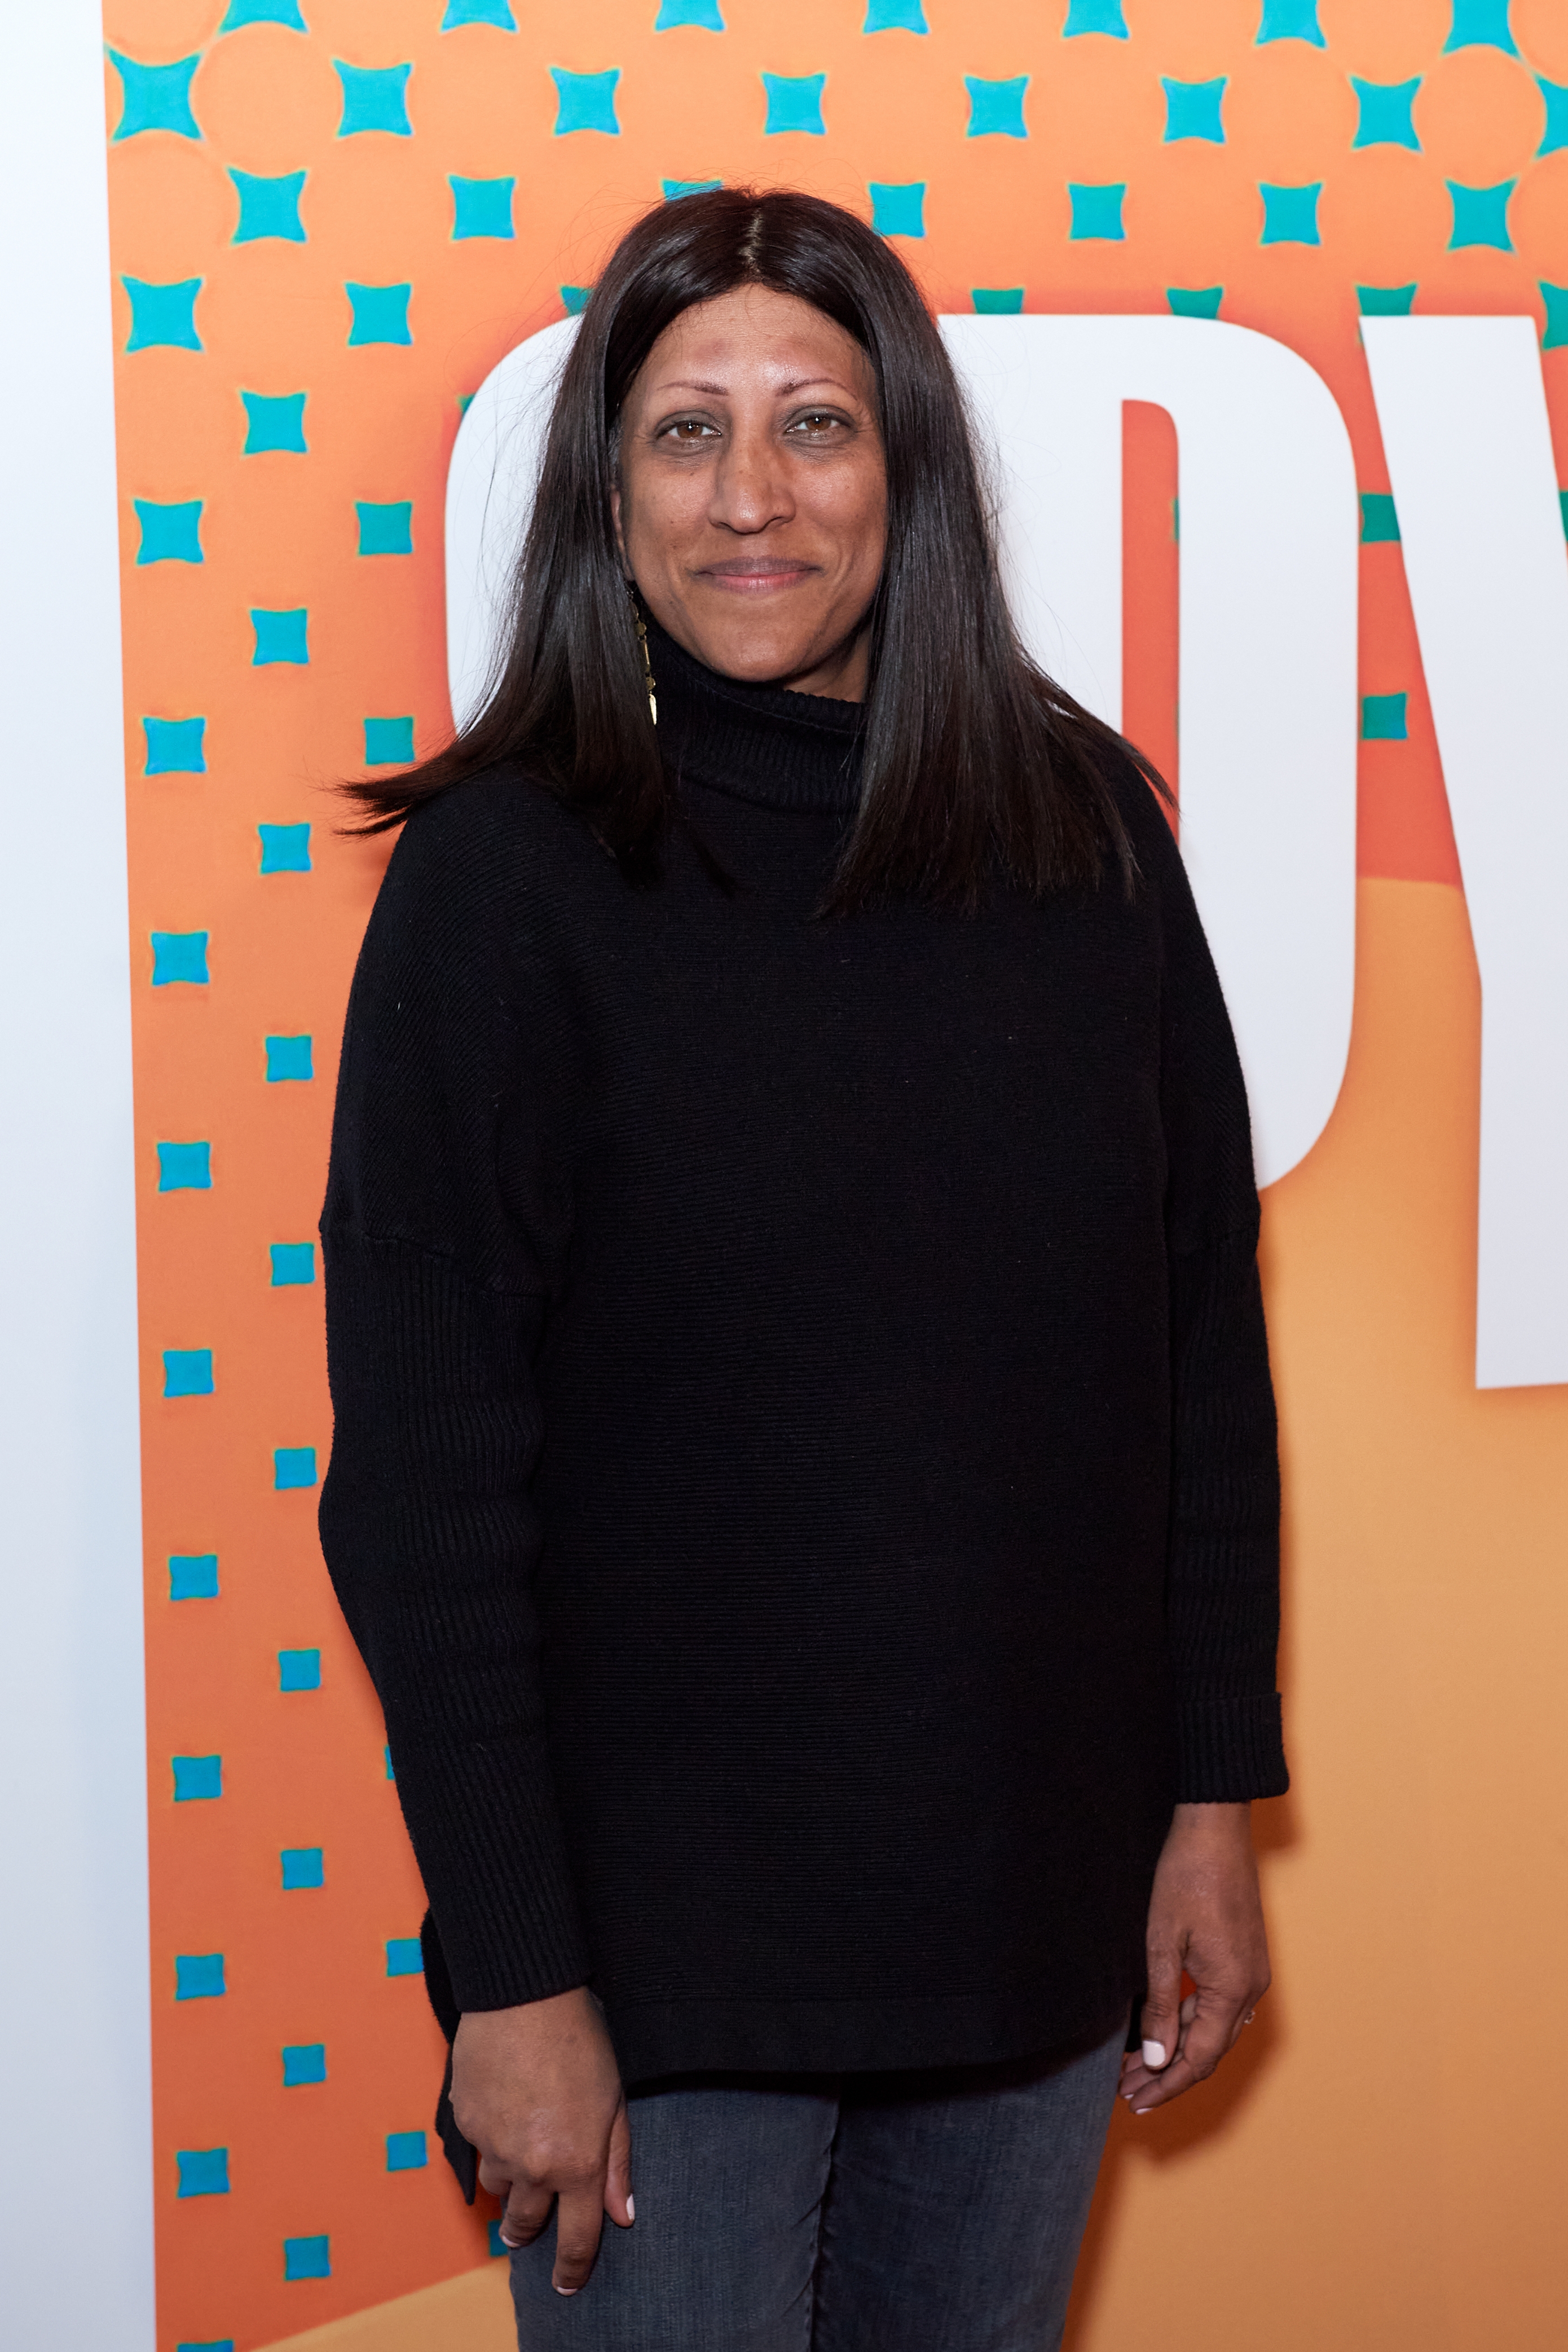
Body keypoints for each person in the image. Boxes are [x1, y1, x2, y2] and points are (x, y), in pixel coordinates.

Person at [319, 187, 1285, 2352]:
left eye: (815, 425)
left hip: (1031, 1925)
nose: (751, 496)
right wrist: (515, 1968)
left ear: (904, 472)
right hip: (647, 1976)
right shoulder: (505, 880)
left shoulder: (1082, 835)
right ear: (607, 493)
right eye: (683, 433)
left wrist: (1205, 1801)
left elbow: (1194, 1360)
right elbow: (423, 1484)